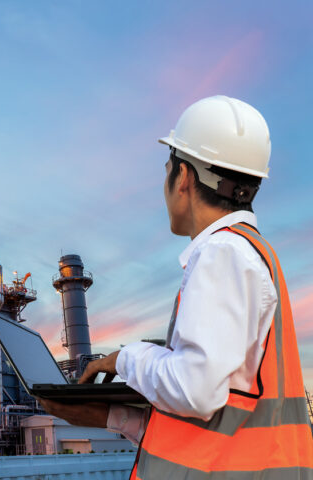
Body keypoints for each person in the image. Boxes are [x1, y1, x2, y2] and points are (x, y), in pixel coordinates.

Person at [38, 95, 313, 478]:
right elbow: (213, 428)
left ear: (183, 176)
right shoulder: (250, 254)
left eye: (167, 168)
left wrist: (125, 358)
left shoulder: (223, 254)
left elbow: (195, 392)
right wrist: (113, 416)